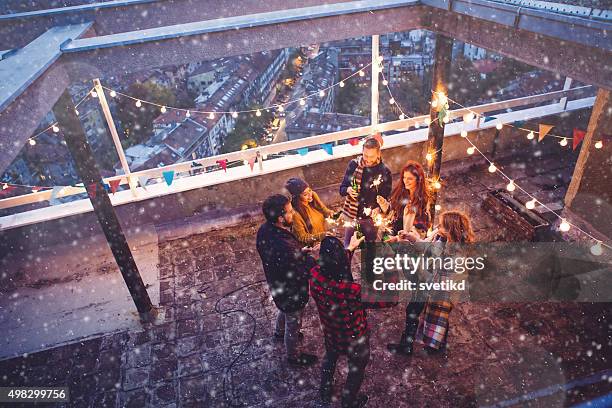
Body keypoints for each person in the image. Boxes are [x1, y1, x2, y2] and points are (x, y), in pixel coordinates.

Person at [310, 235, 394, 408]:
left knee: (330, 357)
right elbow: (391, 299)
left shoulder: (315, 276)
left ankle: (325, 389)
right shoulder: (352, 291)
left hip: (331, 331)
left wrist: (351, 248)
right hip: (355, 337)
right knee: (356, 370)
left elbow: (332, 266)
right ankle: (348, 402)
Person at [387, 210, 475, 356]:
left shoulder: (457, 255)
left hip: (438, 290)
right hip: (427, 283)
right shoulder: (440, 237)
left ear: (451, 230)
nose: (438, 227)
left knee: (437, 315)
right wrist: (412, 238)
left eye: (442, 225)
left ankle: (433, 345)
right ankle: (412, 345)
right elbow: (427, 247)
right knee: (416, 312)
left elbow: (445, 278)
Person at [256, 194, 318, 367]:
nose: (294, 214)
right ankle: (294, 356)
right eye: (290, 212)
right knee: (293, 322)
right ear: (279, 217)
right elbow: (298, 270)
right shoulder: (282, 245)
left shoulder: (265, 230)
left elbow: (284, 259)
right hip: (292, 292)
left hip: (278, 286)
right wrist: (312, 261)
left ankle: (278, 332)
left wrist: (299, 252)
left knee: (284, 310)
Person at [339, 136, 392, 270]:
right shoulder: (353, 165)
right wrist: (348, 189)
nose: (367, 159)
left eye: (371, 156)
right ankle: (344, 274)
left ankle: (370, 273)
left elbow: (385, 198)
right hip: (352, 216)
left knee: (371, 249)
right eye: (365, 155)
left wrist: (378, 208)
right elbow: (342, 189)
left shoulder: (384, 171)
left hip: (370, 219)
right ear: (362, 151)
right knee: (347, 248)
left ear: (379, 153)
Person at [378, 160, 432, 239]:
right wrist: (383, 204)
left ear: (418, 180)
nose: (405, 181)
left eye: (410, 179)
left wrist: (400, 238)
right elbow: (392, 213)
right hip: (390, 235)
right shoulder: (401, 193)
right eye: (404, 177)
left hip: (404, 243)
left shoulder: (422, 202)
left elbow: (420, 231)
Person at [285, 177, 335, 246]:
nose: (310, 195)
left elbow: (323, 209)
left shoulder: (313, 196)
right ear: (297, 197)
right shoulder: (295, 214)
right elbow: (302, 237)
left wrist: (330, 213)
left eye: (310, 190)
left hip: (325, 239)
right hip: (313, 247)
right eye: (305, 194)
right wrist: (320, 236)